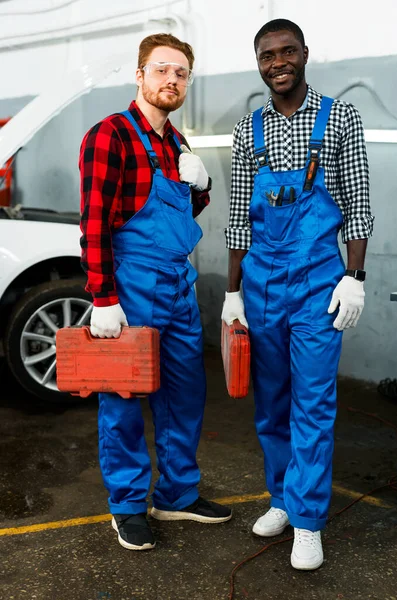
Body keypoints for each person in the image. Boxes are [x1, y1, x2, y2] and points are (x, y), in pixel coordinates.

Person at [222, 19, 373, 570]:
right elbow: (239, 216)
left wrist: (353, 276)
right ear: (258, 62)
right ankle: (283, 499)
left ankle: (308, 521)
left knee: (312, 403)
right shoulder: (247, 130)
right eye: (267, 55)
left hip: (316, 283)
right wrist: (232, 292)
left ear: (304, 54)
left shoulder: (339, 117)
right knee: (272, 403)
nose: (277, 62)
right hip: (260, 285)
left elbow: (357, 203)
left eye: (287, 51)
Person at [79, 33, 231, 551]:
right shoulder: (111, 136)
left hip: (177, 283)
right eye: (162, 69)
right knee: (123, 397)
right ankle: (126, 506)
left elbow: (184, 215)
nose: (172, 80)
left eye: (181, 73)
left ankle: (177, 494)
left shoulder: (176, 144)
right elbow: (94, 222)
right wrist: (103, 296)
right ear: (139, 74)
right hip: (132, 282)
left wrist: (203, 184)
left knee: (185, 393)